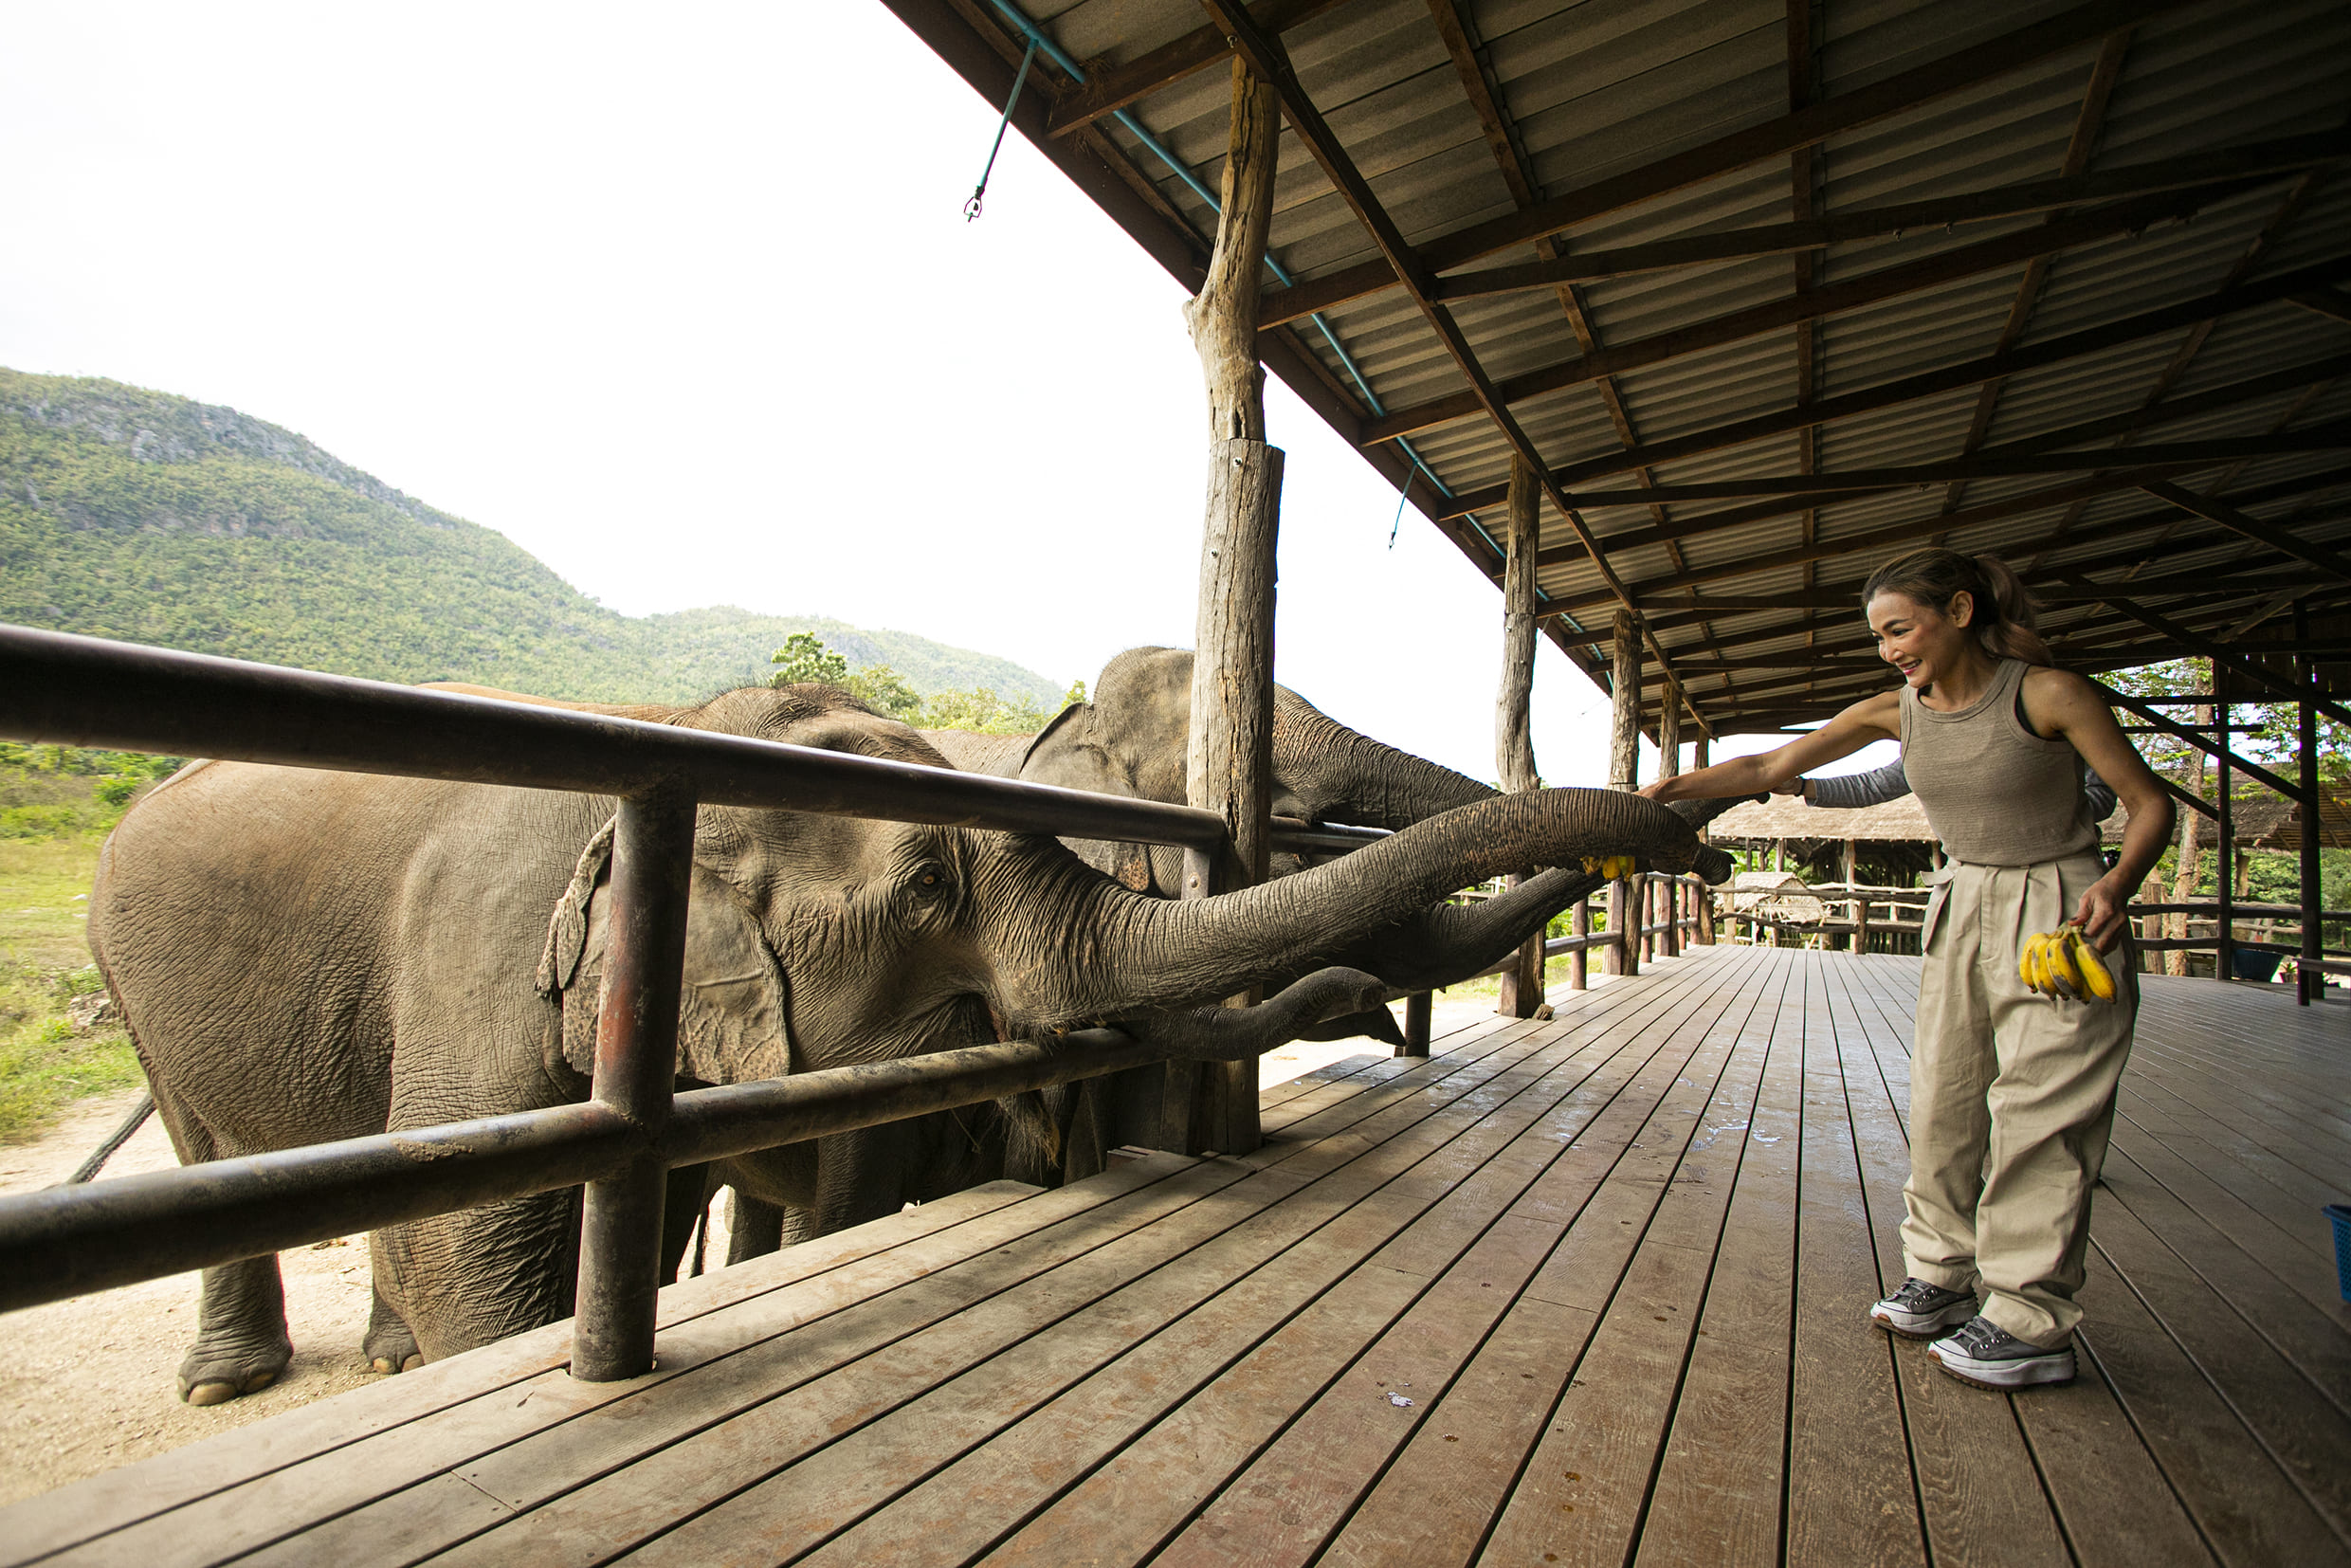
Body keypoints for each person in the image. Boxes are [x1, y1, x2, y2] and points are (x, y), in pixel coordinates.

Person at [1643, 549, 2173, 1390]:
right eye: (1879, 636)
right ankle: (1943, 1274)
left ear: (1959, 611)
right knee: (1946, 1095)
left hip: (2060, 903)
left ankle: (2029, 1319)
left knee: (2043, 1108)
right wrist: (1657, 794)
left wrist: (2118, 882)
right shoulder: (1895, 711)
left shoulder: (2051, 694)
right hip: (1961, 898)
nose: (1889, 648)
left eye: (1900, 628)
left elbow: (2150, 804)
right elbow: (1765, 771)